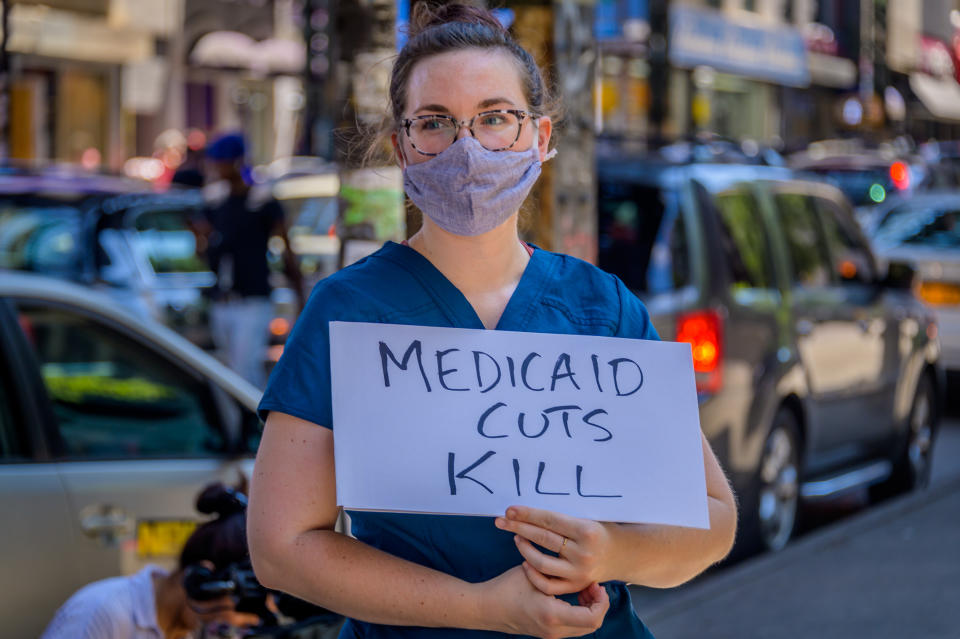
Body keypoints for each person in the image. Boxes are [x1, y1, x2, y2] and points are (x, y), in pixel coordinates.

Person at [247, 4, 737, 638]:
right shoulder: (347, 314)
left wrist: (615, 554)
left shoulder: (603, 307)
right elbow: (281, 546)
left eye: (495, 118)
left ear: (537, 135)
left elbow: (713, 518)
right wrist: (482, 608)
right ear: (402, 146)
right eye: (435, 123)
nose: (467, 147)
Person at [41, 483, 264, 639]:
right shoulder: (103, 611)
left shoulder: (194, 629)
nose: (244, 628)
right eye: (244, 619)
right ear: (202, 581)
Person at [201, 133, 304, 387]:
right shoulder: (215, 201)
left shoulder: (262, 200)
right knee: (226, 372)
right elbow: (206, 251)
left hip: (254, 298)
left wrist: (299, 290)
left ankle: (254, 422)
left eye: (222, 162)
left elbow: (284, 245)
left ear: (237, 162)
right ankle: (237, 424)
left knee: (244, 369)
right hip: (223, 299)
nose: (217, 168)